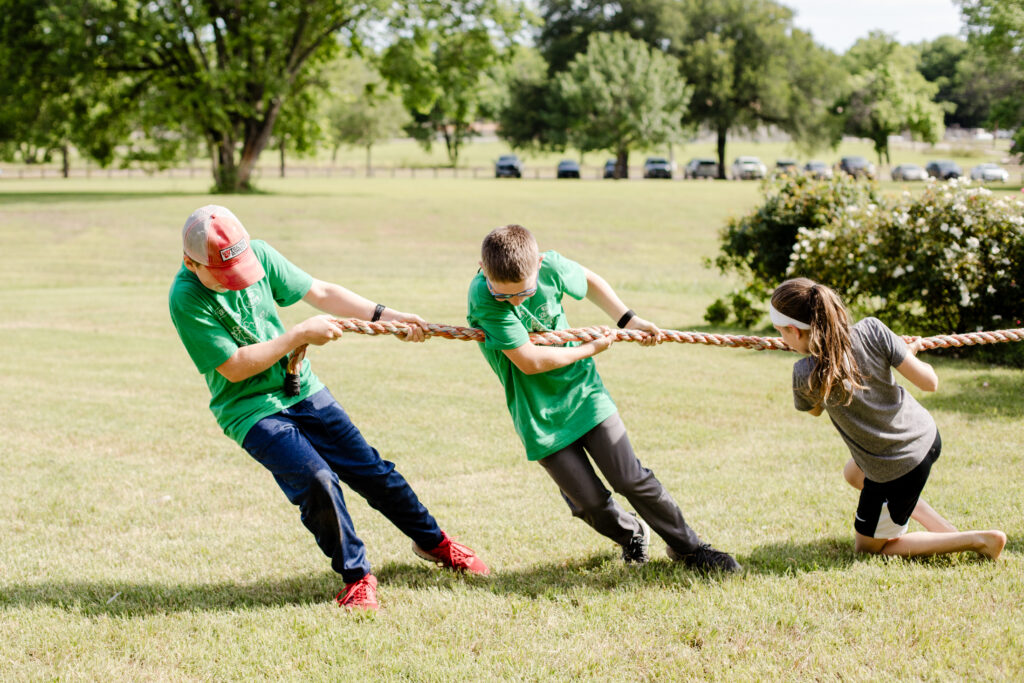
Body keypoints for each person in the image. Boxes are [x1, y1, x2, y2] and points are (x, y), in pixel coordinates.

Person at [169, 205, 489, 611]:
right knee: (317, 479)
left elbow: (319, 292)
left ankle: (433, 543)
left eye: (241, 273)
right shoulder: (185, 297)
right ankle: (357, 577)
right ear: (189, 262)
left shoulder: (260, 255)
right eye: (224, 277)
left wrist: (388, 316)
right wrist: (299, 333)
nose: (237, 285)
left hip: (300, 386)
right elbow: (234, 368)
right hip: (249, 408)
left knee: (371, 470)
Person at [467, 224, 741, 572]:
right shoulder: (481, 296)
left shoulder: (551, 267)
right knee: (588, 503)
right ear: (483, 269)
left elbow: (589, 280)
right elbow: (530, 361)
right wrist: (590, 348)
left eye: (525, 291)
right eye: (504, 295)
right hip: (537, 412)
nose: (516, 301)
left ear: (538, 263)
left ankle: (690, 548)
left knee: (631, 478)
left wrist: (627, 320)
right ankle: (631, 534)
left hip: (584, 393)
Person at [770, 277, 1006, 560]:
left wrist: (816, 376)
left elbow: (814, 410)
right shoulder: (872, 329)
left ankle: (979, 541)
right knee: (853, 473)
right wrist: (907, 353)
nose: (781, 339)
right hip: (927, 436)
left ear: (794, 331)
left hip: (897, 467)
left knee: (869, 550)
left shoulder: (805, 373)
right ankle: (944, 528)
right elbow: (930, 382)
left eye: (780, 333)